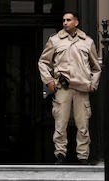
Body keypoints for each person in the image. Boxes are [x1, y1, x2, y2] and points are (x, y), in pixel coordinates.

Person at [37, 12, 101, 164]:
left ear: (76, 22)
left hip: (82, 87)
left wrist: (93, 84)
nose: (65, 22)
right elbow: (43, 62)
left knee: (83, 123)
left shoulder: (87, 42)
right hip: (62, 86)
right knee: (60, 123)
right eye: (64, 20)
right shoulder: (54, 40)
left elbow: (96, 67)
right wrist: (48, 80)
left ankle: (83, 155)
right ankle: (60, 154)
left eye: (68, 20)